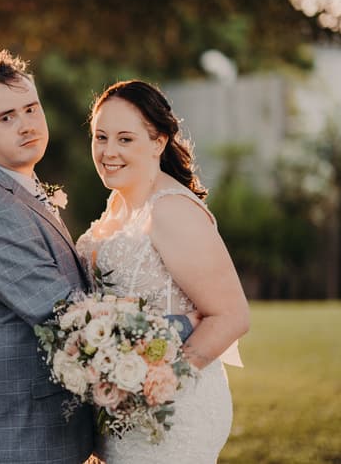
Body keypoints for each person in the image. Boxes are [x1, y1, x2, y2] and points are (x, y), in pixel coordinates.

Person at [0, 52, 198, 463]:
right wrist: (184, 323)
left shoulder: (9, 185)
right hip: (19, 436)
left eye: (31, 108)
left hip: (38, 426)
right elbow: (70, 317)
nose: (27, 125)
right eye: (6, 117)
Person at [76, 80, 250, 463]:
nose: (108, 152)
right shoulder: (119, 202)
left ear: (158, 142)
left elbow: (232, 315)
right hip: (122, 409)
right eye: (100, 137)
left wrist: (162, 381)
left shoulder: (171, 210)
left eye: (125, 139)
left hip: (171, 414)